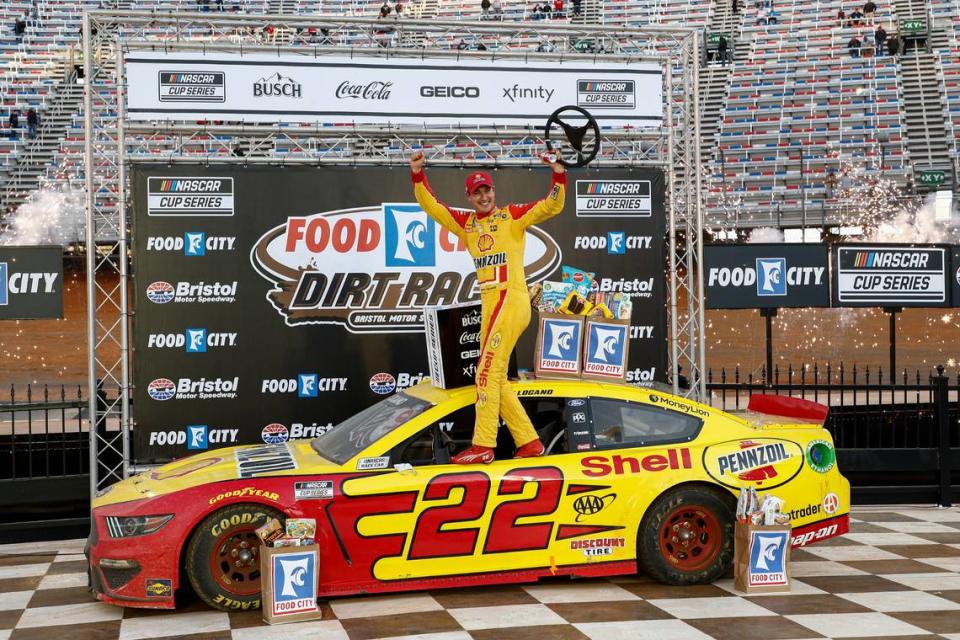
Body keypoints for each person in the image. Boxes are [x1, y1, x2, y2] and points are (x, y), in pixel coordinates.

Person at [409, 150, 566, 464]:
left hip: (511, 299)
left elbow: (552, 205)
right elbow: (433, 207)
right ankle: (529, 440)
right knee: (496, 377)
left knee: (484, 373)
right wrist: (417, 174)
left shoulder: (511, 216)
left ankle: (483, 445)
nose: (484, 196)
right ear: (469, 197)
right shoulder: (466, 224)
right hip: (491, 303)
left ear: (494, 192)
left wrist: (558, 173)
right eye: (477, 192)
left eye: (487, 190)